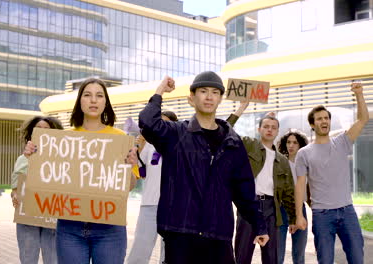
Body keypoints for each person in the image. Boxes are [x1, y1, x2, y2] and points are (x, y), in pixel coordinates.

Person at [138, 72, 268, 264]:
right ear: (192, 97)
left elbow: (244, 188)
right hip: (180, 233)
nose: (209, 97)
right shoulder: (176, 134)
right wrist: (160, 92)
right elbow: (148, 123)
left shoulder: (232, 142)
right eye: (203, 91)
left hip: (218, 235)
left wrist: (259, 225)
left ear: (220, 98)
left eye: (215, 92)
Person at [25, 78, 138, 264]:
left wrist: (128, 168)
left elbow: (130, 186)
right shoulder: (63, 139)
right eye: (87, 95)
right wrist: (33, 157)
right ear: (80, 102)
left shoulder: (121, 139)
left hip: (109, 229)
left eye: (99, 96)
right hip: (70, 227)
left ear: (105, 103)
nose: (93, 100)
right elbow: (47, 178)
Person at [295, 82, 368, 264]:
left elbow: (363, 119)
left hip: (347, 211)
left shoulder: (342, 142)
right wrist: (298, 214)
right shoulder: (304, 153)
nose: (324, 121)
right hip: (322, 215)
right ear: (312, 124)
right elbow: (300, 185)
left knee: (357, 258)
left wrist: (359, 94)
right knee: (325, 260)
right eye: (319, 119)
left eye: (326, 118)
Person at [230, 108, 297, 264]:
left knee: (271, 257)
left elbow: (288, 192)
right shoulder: (249, 145)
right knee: (242, 255)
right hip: (248, 206)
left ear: (277, 132)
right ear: (258, 129)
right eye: (266, 126)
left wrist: (293, 218)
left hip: (271, 208)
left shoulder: (282, 160)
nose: (269, 130)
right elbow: (226, 131)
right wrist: (241, 108)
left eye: (273, 128)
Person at [127, 110, 178, 264]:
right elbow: (142, 173)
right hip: (150, 204)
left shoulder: (180, 143)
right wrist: (140, 144)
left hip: (174, 206)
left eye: (165, 122)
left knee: (170, 253)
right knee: (140, 249)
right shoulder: (150, 144)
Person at [11, 116, 63, 264]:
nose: (43, 133)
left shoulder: (63, 159)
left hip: (52, 217)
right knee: (28, 259)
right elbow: (16, 187)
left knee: (53, 260)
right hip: (28, 217)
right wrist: (15, 196)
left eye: (48, 129)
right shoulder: (23, 158)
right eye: (39, 129)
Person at [277, 129, 309, 264]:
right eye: (289, 142)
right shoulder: (280, 164)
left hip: (300, 208)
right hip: (282, 209)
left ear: (300, 145)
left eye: (295, 143)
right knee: (278, 253)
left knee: (299, 253)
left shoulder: (307, 165)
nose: (291, 145)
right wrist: (291, 216)